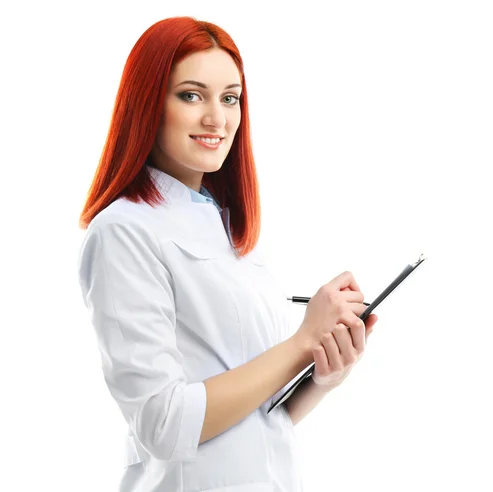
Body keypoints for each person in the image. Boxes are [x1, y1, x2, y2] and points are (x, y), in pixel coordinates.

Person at [77, 16, 378, 492]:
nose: (217, 118)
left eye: (230, 98)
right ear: (148, 104)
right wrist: (301, 341)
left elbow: (258, 416)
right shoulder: (123, 230)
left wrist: (323, 370)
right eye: (191, 95)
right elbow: (162, 422)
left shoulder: (228, 230)